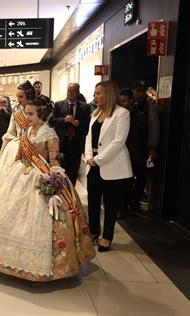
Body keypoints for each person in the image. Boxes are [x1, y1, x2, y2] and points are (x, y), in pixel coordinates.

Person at [0, 99, 95, 282]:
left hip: (41, 176)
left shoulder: (50, 135)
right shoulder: (25, 132)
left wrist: (54, 182)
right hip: (19, 176)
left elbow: (54, 163)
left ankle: (39, 267)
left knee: (41, 220)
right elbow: (19, 157)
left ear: (41, 116)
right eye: (26, 113)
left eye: (31, 114)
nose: (27, 117)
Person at [85, 81, 133, 252]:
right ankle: (93, 231)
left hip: (112, 165)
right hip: (94, 164)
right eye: (95, 93)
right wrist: (90, 157)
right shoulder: (95, 114)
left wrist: (99, 159)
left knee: (111, 203)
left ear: (109, 94)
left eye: (98, 93)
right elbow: (88, 137)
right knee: (93, 200)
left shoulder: (122, 114)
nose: (95, 96)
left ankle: (107, 236)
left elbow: (119, 141)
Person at [52, 83, 91, 185]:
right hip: (62, 144)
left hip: (76, 144)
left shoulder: (85, 107)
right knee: (60, 172)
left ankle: (71, 195)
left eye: (73, 91)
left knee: (73, 172)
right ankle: (62, 194)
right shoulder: (58, 105)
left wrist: (80, 123)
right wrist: (64, 120)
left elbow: (88, 124)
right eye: (69, 90)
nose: (71, 93)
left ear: (78, 92)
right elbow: (52, 121)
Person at [120, 89, 148, 213]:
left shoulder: (140, 116)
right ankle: (123, 206)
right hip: (123, 154)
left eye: (124, 101)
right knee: (125, 182)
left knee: (141, 180)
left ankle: (134, 202)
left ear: (131, 100)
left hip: (138, 153)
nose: (122, 104)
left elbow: (145, 134)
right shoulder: (117, 116)